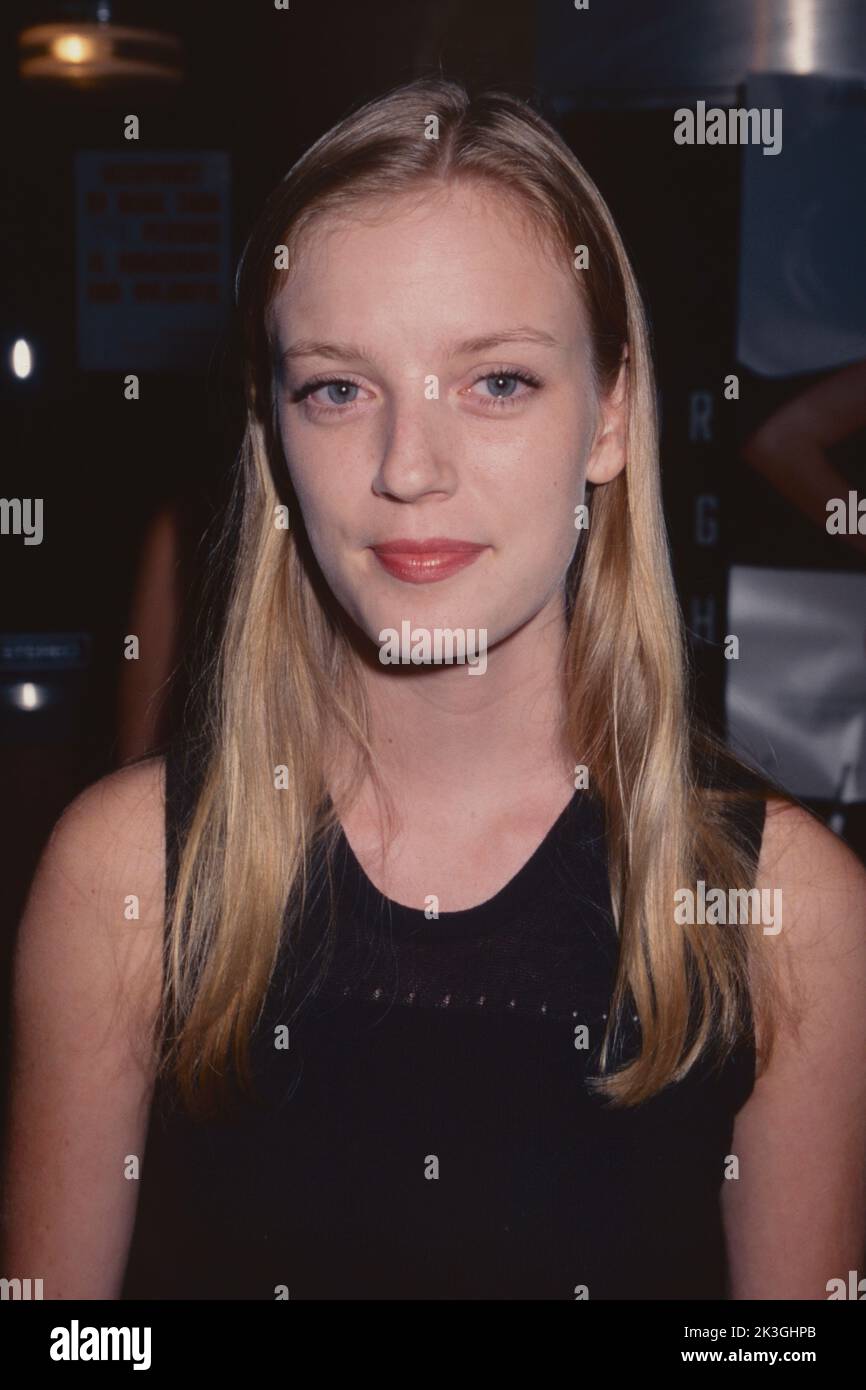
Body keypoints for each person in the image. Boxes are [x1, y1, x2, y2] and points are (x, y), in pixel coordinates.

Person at [3, 78, 865, 1302]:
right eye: (338, 388)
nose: (410, 468)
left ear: (610, 414)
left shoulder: (790, 919)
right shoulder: (125, 879)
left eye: (496, 381)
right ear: (274, 436)